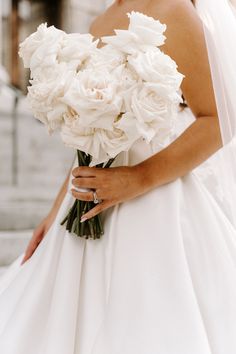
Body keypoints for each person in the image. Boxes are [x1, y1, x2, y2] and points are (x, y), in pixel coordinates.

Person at [0, 0, 236, 353]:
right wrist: (54, 212)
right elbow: (91, 135)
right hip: (87, 200)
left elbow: (218, 119)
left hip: (157, 201)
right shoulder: (101, 19)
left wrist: (138, 178)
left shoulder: (174, 11)